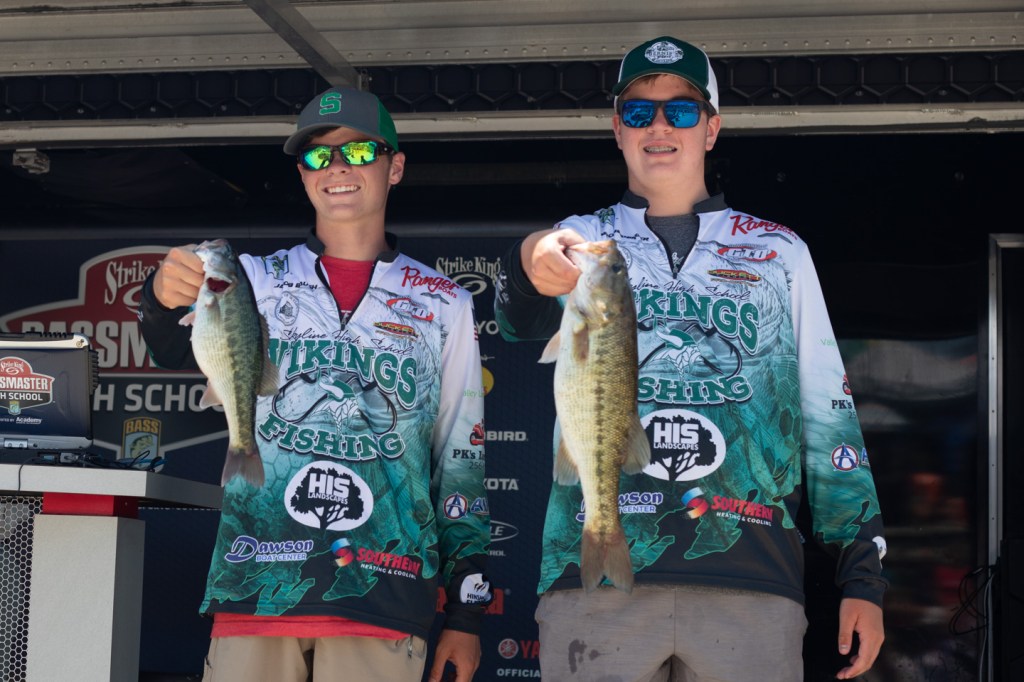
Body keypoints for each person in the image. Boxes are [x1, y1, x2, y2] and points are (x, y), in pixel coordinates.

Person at [494, 36, 887, 681]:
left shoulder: (780, 252)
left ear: (711, 128)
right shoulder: (581, 241)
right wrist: (528, 258)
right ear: (617, 129)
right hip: (591, 579)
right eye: (638, 111)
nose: (659, 126)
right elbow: (515, 320)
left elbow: (830, 415)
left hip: (752, 574)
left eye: (680, 110)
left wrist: (862, 573)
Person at [139, 86, 491, 682]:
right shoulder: (249, 279)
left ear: (395, 167)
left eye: (359, 152)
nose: (337, 168)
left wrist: (467, 613)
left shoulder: (444, 302)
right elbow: (169, 345)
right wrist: (159, 295)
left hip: (384, 592)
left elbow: (461, 461)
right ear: (302, 174)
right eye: (317, 155)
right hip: (255, 583)